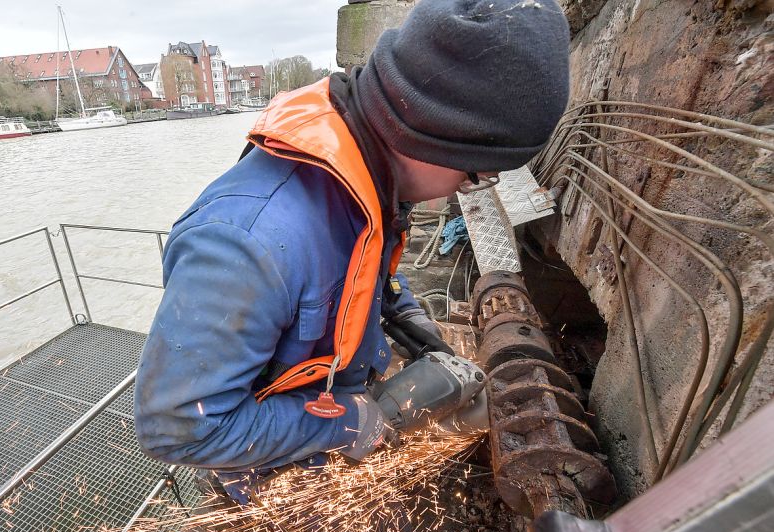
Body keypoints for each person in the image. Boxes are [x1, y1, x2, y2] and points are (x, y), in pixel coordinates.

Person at [135, 0, 570, 504]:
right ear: (434, 135)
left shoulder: (366, 170)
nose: (461, 191)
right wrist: (352, 423)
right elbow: (178, 428)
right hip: (264, 470)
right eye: (475, 175)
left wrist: (403, 310)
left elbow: (357, 266)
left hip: (332, 398)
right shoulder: (246, 244)